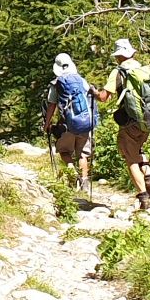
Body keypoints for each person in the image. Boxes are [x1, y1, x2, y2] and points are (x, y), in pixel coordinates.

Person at [93, 38, 150, 210]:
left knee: (130, 157)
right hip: (149, 119)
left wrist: (93, 92)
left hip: (130, 122)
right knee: (137, 150)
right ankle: (149, 178)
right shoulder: (143, 69)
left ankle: (143, 197)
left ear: (119, 56)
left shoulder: (119, 72)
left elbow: (103, 97)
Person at [42, 53, 97, 195]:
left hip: (67, 125)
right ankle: (84, 182)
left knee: (64, 150)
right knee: (83, 154)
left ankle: (73, 172)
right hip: (85, 123)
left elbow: (51, 106)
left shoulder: (56, 84)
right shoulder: (81, 80)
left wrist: (47, 124)